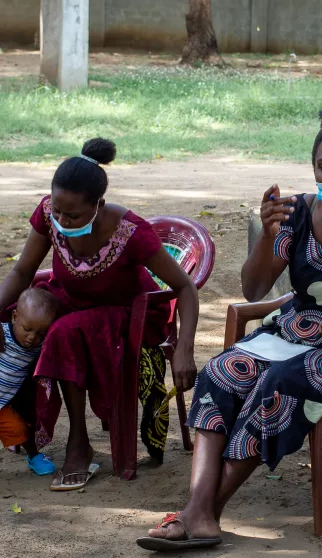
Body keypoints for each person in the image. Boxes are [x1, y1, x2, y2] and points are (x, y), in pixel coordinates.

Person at [137, 95, 322, 551]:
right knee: (221, 372)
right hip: (290, 331)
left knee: (279, 382)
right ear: (314, 170)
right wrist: (267, 238)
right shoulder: (296, 213)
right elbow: (253, 289)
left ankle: (200, 513)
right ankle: (200, 509)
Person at [0, 138, 199, 491]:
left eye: (72, 215)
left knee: (62, 332)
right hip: (72, 300)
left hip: (126, 313)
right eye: (57, 211)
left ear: (99, 205)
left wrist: (185, 348)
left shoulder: (130, 232)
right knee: (18, 321)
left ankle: (79, 442)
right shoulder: (50, 212)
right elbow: (21, 273)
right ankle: (24, 424)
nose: (60, 220)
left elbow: (184, 287)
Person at [0, 288, 58, 475]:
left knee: (20, 430)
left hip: (3, 408)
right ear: (15, 317)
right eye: (27, 329)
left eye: (41, 333)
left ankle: (33, 456)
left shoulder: (39, 346)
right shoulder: (2, 334)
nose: (32, 337)